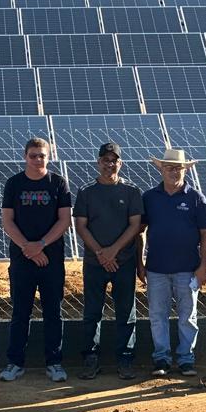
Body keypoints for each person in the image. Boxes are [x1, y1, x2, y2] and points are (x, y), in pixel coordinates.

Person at [0, 137, 73, 382]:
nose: (38, 160)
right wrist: (27, 247)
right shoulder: (14, 184)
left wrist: (40, 245)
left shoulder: (58, 183)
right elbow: (7, 220)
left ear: (48, 157)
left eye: (42, 155)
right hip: (22, 260)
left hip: (52, 259)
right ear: (25, 157)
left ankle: (54, 363)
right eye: (33, 155)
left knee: (53, 312)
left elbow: (64, 220)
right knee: (21, 312)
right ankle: (15, 363)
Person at [138, 148, 206, 378]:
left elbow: (205, 235)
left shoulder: (196, 198)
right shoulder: (149, 198)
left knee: (187, 317)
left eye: (178, 167)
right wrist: (140, 262)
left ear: (185, 170)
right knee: (157, 316)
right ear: (161, 169)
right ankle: (161, 358)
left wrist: (204, 265)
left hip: (187, 269)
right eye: (169, 167)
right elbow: (140, 231)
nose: (174, 171)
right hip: (156, 269)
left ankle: (186, 359)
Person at [73, 141, 144, 381]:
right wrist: (101, 254)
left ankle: (125, 359)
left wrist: (113, 251)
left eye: (114, 161)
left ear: (120, 164)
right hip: (95, 263)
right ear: (98, 162)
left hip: (124, 262)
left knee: (126, 312)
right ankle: (90, 359)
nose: (109, 165)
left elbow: (135, 226)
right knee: (92, 312)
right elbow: (80, 226)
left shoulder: (132, 191)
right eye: (105, 160)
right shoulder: (86, 192)